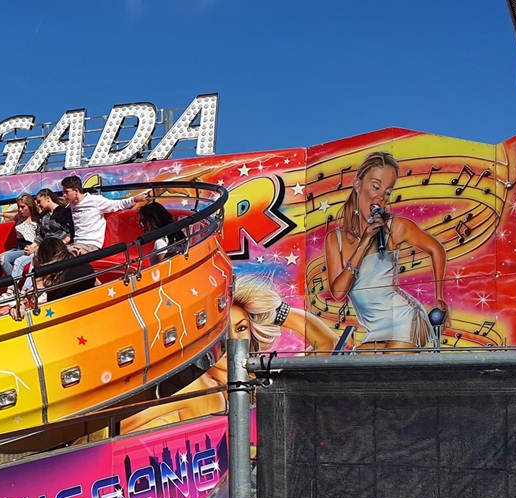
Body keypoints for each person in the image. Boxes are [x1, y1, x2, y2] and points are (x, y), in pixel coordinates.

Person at [120, 277, 340, 433]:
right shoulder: (195, 387)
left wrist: (277, 313)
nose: (233, 340)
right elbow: (117, 427)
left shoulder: (268, 383)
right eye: (222, 332)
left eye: (241, 328)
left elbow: (327, 342)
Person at [323, 151, 448, 349]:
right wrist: (364, 243)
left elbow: (436, 249)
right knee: (352, 367)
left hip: (404, 318)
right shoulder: (334, 239)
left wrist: (439, 296)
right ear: (358, 185)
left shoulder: (395, 227)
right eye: (376, 186)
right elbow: (338, 292)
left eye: (388, 192)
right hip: (373, 329)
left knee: (387, 367)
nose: (381, 196)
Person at [7, 238, 98, 321]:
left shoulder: (49, 277)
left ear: (44, 258)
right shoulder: (85, 266)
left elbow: (30, 296)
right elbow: (98, 285)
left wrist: (18, 305)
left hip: (66, 317)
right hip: (93, 312)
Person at [60, 175, 151, 255]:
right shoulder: (71, 205)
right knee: (55, 253)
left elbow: (117, 204)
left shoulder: (95, 201)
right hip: (76, 243)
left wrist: (135, 199)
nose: (63, 195)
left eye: (66, 192)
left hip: (91, 245)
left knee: (67, 257)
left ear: (76, 191)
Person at [0, 194, 40, 306]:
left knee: (4, 259)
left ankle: (12, 290)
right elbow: (11, 216)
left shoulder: (38, 218)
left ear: (30, 206)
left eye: (23, 207)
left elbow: (41, 236)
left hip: (28, 247)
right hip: (17, 247)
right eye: (19, 207)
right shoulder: (19, 217)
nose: (20, 210)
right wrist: (0, 214)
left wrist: (34, 247)